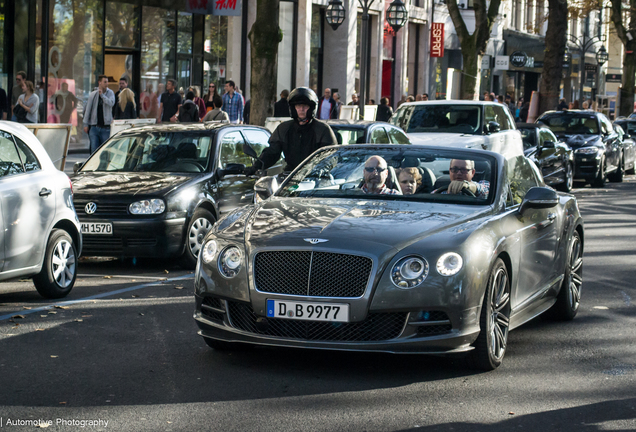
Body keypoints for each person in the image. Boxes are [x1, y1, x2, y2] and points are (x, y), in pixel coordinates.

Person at [244, 87, 337, 175]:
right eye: (298, 106)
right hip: (290, 176)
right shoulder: (284, 128)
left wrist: (322, 169)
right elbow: (272, 152)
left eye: (305, 106)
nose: (301, 109)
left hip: (315, 178)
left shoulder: (323, 130)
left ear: (312, 107)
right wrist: (256, 167)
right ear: (293, 108)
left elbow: (330, 156)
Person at [83, 75, 115, 153]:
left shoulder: (110, 93)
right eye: (105, 82)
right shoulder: (93, 94)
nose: (106, 84)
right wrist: (86, 124)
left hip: (106, 127)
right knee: (94, 150)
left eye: (107, 82)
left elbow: (111, 103)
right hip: (94, 127)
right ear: (99, 82)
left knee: (105, 151)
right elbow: (88, 110)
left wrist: (102, 96)